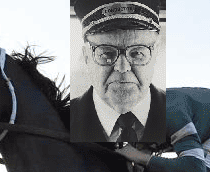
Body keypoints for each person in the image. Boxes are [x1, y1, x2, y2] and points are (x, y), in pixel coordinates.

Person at [70, 0, 166, 143]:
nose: (122, 68)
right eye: (106, 53)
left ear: (155, 54)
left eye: (137, 53)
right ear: (86, 57)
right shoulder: (59, 121)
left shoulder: (181, 116)